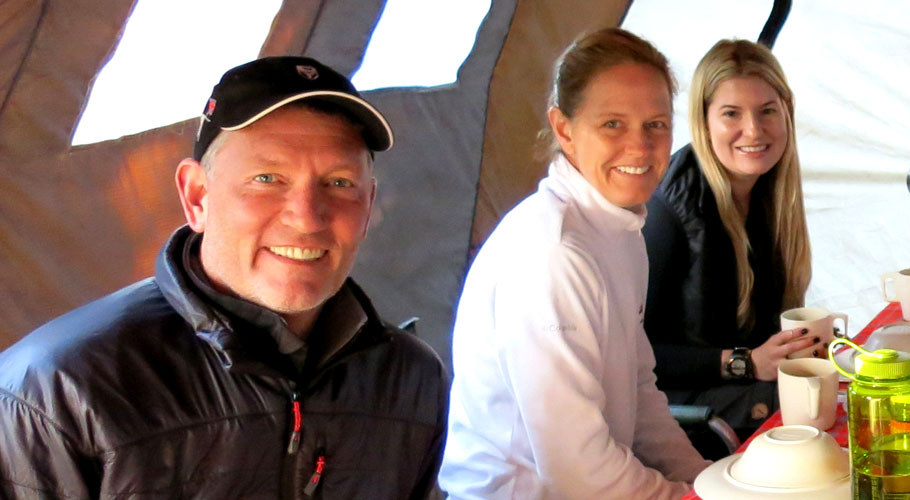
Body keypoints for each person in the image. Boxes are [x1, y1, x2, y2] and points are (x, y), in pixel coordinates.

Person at [0, 56, 449, 498]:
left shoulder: (410, 379)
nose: (308, 218)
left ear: (368, 206)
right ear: (197, 197)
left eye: (338, 183)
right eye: (268, 178)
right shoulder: (59, 390)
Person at [438, 28, 709, 499]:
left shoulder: (619, 231)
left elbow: (639, 391)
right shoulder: (554, 254)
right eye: (613, 124)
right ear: (565, 129)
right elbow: (579, 474)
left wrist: (706, 480)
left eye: (656, 125)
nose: (640, 147)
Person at [644, 39, 818, 448]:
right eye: (731, 114)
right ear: (704, 122)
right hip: (682, 415)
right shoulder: (668, 209)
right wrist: (744, 363)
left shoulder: (771, 192)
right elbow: (638, 354)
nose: (753, 131)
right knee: (810, 411)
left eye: (767, 112)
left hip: (735, 397)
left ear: (787, 112)